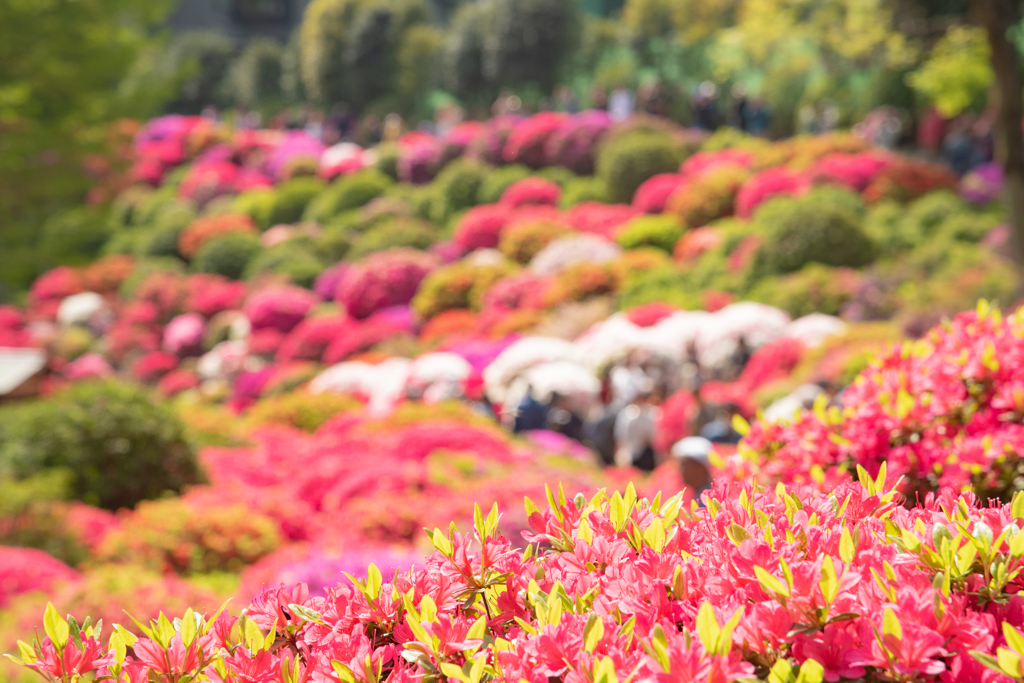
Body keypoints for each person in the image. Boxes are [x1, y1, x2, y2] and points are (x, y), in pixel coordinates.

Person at [613, 383, 661, 471]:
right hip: (628, 450)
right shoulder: (627, 413)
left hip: (643, 452)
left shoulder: (649, 414)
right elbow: (620, 434)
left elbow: (651, 435)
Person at [672, 436, 713, 505]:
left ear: (700, 469)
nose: (680, 470)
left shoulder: (706, 501)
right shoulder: (700, 495)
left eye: (684, 466)